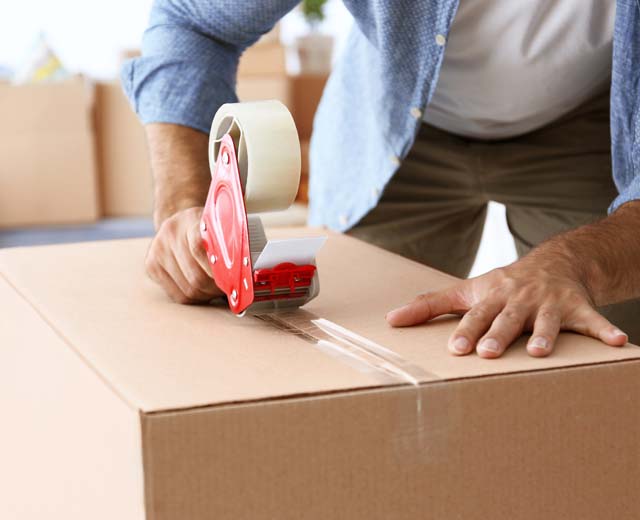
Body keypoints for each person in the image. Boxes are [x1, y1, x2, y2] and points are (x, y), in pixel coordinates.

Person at [122, 0, 640, 359]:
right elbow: (196, 23)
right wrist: (185, 207)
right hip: (393, 119)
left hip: (589, 126)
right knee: (337, 342)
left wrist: (578, 264)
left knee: (606, 351)